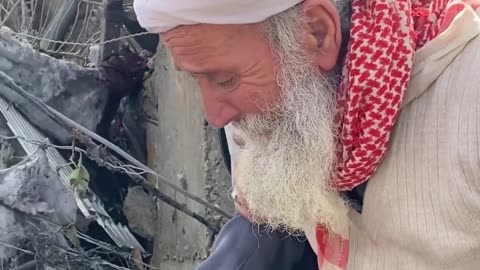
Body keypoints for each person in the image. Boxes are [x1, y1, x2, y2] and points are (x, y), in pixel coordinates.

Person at [133, 0, 480, 269]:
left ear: (317, 33)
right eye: (197, 80)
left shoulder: (467, 102)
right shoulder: (284, 114)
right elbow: (271, 229)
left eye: (225, 80)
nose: (215, 115)